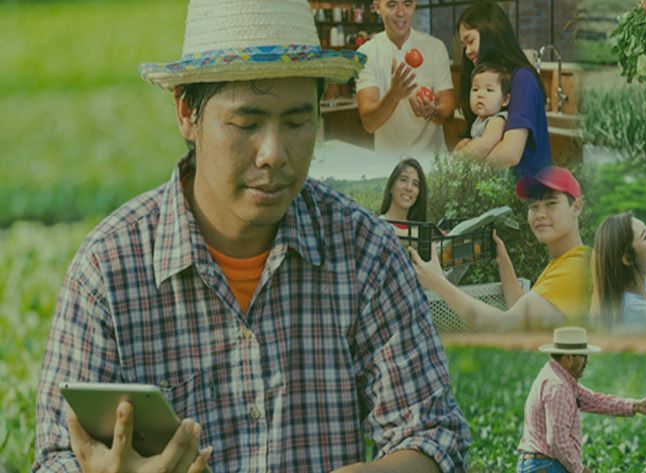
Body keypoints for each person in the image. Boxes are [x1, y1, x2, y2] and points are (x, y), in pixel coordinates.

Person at [36, 0, 469, 470]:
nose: (273, 154)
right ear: (187, 113)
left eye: (298, 122)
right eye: (246, 123)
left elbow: (432, 433)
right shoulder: (108, 269)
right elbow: (57, 455)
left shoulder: (366, 251)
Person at [413, 167, 593, 330]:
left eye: (551, 203)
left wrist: (437, 282)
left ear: (576, 207)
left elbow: (508, 327)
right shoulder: (566, 261)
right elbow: (521, 310)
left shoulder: (575, 269)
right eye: (534, 206)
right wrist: (503, 259)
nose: (540, 214)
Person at [517, 327, 646, 473]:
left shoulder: (561, 380)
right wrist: (579, 470)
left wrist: (636, 406)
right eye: (583, 356)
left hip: (542, 464)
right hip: (546, 466)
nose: (586, 361)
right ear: (568, 358)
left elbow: (596, 401)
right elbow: (557, 441)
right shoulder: (557, 387)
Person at [456, 2, 553, 180]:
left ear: (490, 33)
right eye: (464, 45)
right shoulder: (494, 77)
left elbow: (510, 153)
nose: (468, 51)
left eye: (470, 41)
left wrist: (462, 168)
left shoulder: (522, 79)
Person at [355, 0, 455, 159]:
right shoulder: (365, 54)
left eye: (407, 4)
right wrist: (394, 95)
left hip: (432, 160)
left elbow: (448, 113)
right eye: (392, 5)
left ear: (414, 5)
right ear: (377, 7)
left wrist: (432, 113)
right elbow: (369, 123)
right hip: (389, 162)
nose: (401, 13)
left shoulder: (435, 48)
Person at [454, 63, 513, 157]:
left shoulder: (497, 120)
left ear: (505, 100)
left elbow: (486, 143)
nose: (480, 94)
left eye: (489, 90)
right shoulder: (480, 118)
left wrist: (460, 156)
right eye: (475, 89)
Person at [379, 158, 431, 233]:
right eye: (403, 180)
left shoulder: (420, 232)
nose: (409, 188)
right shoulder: (377, 227)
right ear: (391, 187)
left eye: (415, 184)